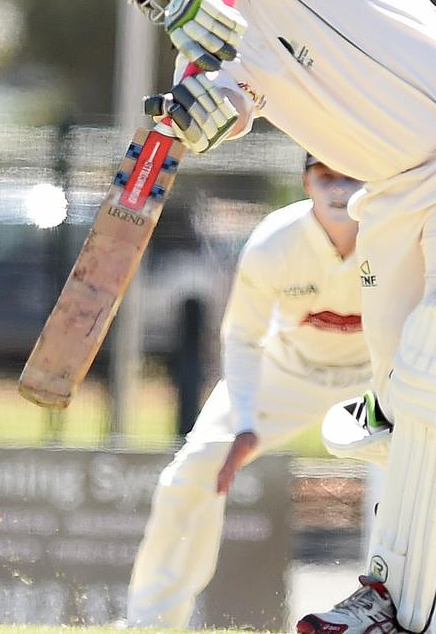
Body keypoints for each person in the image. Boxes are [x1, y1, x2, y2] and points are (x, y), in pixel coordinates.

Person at [92, 0, 436, 633]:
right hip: (394, 194)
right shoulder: (205, 49)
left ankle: (386, 603)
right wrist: (204, 112)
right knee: (395, 415)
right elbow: (235, 101)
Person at [126, 154, 372, 627]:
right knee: (191, 472)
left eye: (351, 173)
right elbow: (241, 336)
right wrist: (242, 424)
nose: (339, 189)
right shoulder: (275, 241)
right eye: (326, 176)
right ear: (306, 182)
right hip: (289, 371)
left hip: (374, 378)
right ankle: (152, 623)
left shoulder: (394, 236)